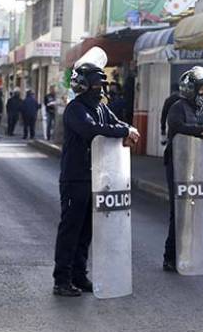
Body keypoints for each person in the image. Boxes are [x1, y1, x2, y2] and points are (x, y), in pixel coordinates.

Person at [53, 63, 140, 297]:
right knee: (71, 230)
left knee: (86, 231)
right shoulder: (75, 109)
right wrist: (123, 132)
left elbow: (115, 123)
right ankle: (62, 280)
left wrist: (128, 129)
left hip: (96, 177)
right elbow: (91, 130)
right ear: (83, 86)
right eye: (95, 84)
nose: (99, 89)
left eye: (101, 84)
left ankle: (79, 276)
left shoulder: (100, 108)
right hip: (75, 178)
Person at [163, 66, 203, 272]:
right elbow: (177, 126)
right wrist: (201, 131)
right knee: (178, 209)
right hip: (178, 164)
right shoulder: (178, 107)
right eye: (201, 90)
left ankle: (196, 252)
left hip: (201, 165)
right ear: (190, 89)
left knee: (199, 208)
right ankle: (171, 256)